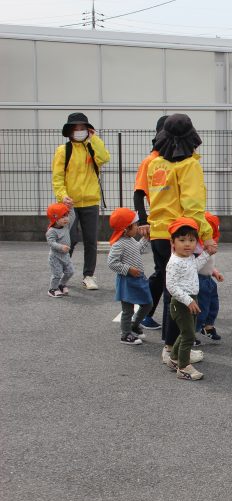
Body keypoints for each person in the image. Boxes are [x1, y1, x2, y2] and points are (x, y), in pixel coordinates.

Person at [146, 114, 215, 365]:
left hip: (159, 234)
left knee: (170, 291)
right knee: (181, 295)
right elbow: (193, 207)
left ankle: (170, 348)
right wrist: (205, 237)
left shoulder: (156, 165)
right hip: (179, 235)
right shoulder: (189, 166)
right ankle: (172, 350)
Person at [51, 112, 110, 290]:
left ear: (88, 130)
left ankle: (88, 276)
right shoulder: (63, 151)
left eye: (82, 128)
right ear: (69, 131)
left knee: (91, 240)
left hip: (91, 201)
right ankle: (63, 272)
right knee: (70, 239)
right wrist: (63, 196)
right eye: (75, 129)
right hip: (69, 204)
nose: (79, 131)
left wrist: (94, 139)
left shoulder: (92, 148)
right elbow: (57, 177)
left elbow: (105, 158)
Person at [165, 217, 214, 381]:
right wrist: (188, 300)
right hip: (181, 303)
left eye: (192, 240)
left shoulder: (189, 258)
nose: (187, 244)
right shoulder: (174, 262)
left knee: (187, 332)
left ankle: (174, 358)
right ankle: (184, 367)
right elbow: (171, 287)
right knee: (188, 335)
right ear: (172, 242)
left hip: (190, 301)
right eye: (182, 240)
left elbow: (195, 266)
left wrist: (207, 253)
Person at [134, 115, 169, 330]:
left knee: (165, 272)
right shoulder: (150, 161)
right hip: (158, 225)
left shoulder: (176, 159)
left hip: (174, 227)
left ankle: (147, 312)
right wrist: (144, 220)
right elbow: (139, 193)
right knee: (164, 273)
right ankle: (148, 313)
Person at [107, 208, 153, 346]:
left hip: (138, 278)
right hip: (127, 280)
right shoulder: (119, 244)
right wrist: (128, 270)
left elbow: (137, 250)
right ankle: (125, 334)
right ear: (126, 228)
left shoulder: (131, 240)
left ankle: (134, 324)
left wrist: (146, 239)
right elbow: (111, 263)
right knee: (128, 309)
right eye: (135, 224)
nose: (138, 227)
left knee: (147, 304)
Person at [196, 212, 224, 342]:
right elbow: (196, 265)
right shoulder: (197, 246)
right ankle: (192, 333)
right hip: (199, 280)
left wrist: (215, 272)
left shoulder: (210, 243)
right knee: (201, 308)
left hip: (209, 280)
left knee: (213, 305)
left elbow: (209, 264)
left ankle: (208, 327)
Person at [45, 202, 75, 298]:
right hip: (55, 256)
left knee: (70, 271)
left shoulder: (66, 226)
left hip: (65, 255)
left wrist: (71, 208)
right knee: (57, 274)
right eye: (62, 217)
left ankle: (61, 284)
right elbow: (51, 243)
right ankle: (52, 289)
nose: (66, 218)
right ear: (55, 219)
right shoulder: (51, 231)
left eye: (66, 215)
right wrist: (61, 247)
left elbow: (73, 216)